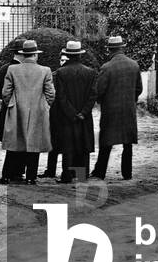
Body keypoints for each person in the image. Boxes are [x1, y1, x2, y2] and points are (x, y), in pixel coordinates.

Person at [1, 40, 55, 184]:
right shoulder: (45, 71)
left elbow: (5, 92)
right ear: (35, 55)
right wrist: (44, 106)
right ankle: (31, 177)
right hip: (38, 111)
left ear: (24, 55)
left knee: (13, 144)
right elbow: (51, 94)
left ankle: (6, 176)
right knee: (34, 146)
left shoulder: (12, 69)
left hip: (16, 110)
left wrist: (12, 104)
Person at [91, 35, 142, 181]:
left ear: (110, 50)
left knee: (106, 142)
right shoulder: (134, 65)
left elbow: (98, 90)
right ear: (122, 48)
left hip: (111, 110)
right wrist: (131, 101)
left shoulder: (106, 68)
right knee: (128, 143)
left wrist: (102, 101)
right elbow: (139, 88)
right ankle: (127, 173)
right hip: (128, 110)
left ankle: (100, 172)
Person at [51, 41, 97, 183]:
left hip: (66, 117)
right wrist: (83, 112)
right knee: (83, 144)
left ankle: (67, 175)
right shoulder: (90, 73)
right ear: (80, 55)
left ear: (68, 55)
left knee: (68, 145)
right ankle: (82, 175)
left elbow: (61, 96)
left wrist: (71, 113)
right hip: (85, 116)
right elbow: (93, 95)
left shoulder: (60, 73)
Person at [0, 53, 23, 184]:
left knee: (10, 142)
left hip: (6, 108)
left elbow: (0, 92)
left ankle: (10, 172)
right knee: (19, 141)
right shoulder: (20, 69)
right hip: (18, 108)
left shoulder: (3, 68)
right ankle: (16, 172)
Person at [40, 53, 69, 179]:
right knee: (67, 144)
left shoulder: (56, 74)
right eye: (61, 59)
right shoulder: (55, 74)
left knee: (57, 143)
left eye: (64, 60)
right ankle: (73, 174)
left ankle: (53, 171)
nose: (62, 62)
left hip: (58, 112)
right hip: (63, 113)